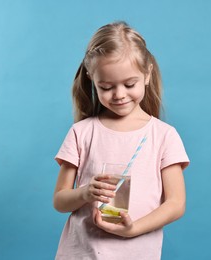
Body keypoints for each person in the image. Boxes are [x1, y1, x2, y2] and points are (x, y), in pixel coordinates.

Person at [53, 21, 189, 260]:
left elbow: (176, 203)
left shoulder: (164, 136)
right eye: (106, 87)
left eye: (129, 84)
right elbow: (60, 201)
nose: (119, 95)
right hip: (81, 254)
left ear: (147, 74)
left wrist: (132, 229)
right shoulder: (81, 132)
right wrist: (85, 193)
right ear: (91, 78)